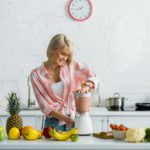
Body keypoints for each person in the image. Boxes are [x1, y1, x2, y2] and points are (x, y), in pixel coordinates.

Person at [30, 34, 99, 131]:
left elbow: (93, 76)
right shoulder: (36, 75)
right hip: (53, 124)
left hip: (75, 120)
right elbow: (45, 106)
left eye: (67, 55)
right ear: (52, 49)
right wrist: (65, 119)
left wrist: (87, 86)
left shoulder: (71, 65)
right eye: (62, 53)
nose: (65, 58)